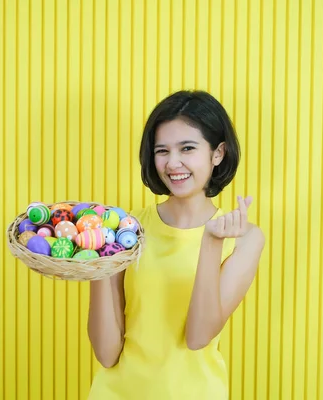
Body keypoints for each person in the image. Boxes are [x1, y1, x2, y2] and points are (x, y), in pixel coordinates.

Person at [87, 90, 266, 399]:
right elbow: (106, 354)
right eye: (162, 151)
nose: (173, 163)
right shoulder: (126, 230)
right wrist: (100, 256)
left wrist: (211, 242)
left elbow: (198, 337)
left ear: (218, 153)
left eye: (187, 148)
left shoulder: (245, 238)